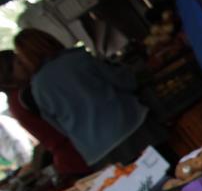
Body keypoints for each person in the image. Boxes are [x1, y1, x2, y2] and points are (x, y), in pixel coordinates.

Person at [13, 29, 160, 168]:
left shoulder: (37, 88)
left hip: (98, 152)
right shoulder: (78, 58)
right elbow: (126, 82)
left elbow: (59, 127)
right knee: (174, 176)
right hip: (132, 128)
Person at [0, 49, 90, 178]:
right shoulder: (26, 95)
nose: (25, 63)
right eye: (19, 62)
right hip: (76, 154)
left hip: (70, 158)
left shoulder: (14, 101)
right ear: (8, 73)